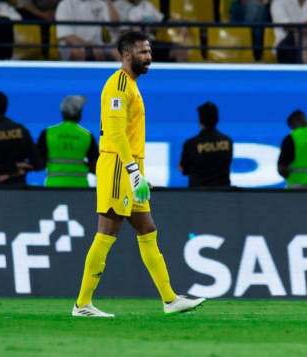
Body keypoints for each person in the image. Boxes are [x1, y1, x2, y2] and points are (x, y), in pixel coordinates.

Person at [73, 30, 205, 318]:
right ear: (127, 55)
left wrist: (137, 170)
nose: (149, 57)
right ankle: (82, 304)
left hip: (130, 165)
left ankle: (170, 300)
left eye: (149, 51)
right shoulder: (119, 85)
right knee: (106, 232)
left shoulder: (131, 85)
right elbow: (117, 132)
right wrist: (132, 171)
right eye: (143, 52)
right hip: (119, 166)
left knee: (148, 230)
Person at [0, 91, 43, 186]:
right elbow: (37, 164)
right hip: (19, 191)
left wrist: (10, 169)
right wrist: (18, 168)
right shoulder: (22, 130)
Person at [37, 95, 99, 187]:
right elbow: (95, 167)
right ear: (80, 113)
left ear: (62, 112)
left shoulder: (48, 133)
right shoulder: (87, 136)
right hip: (80, 187)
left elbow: (39, 164)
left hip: (53, 186)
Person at [178, 102, 233, 188]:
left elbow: (184, 169)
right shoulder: (227, 142)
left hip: (198, 197)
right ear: (217, 119)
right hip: (223, 196)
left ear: (200, 120)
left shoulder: (191, 144)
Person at [113, 0, 187, 62]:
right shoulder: (118, 6)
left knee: (180, 50)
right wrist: (140, 28)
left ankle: (184, 79)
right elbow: (120, 31)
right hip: (128, 44)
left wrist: (179, 24)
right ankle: (148, 71)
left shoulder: (147, 5)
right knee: (140, 30)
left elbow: (162, 21)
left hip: (151, 43)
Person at [55, 0, 121, 61]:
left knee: (119, 53)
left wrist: (108, 1)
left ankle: (120, 74)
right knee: (79, 52)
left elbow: (115, 24)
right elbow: (68, 37)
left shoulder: (99, 3)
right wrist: (90, 47)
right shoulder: (64, 5)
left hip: (98, 45)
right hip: (70, 46)